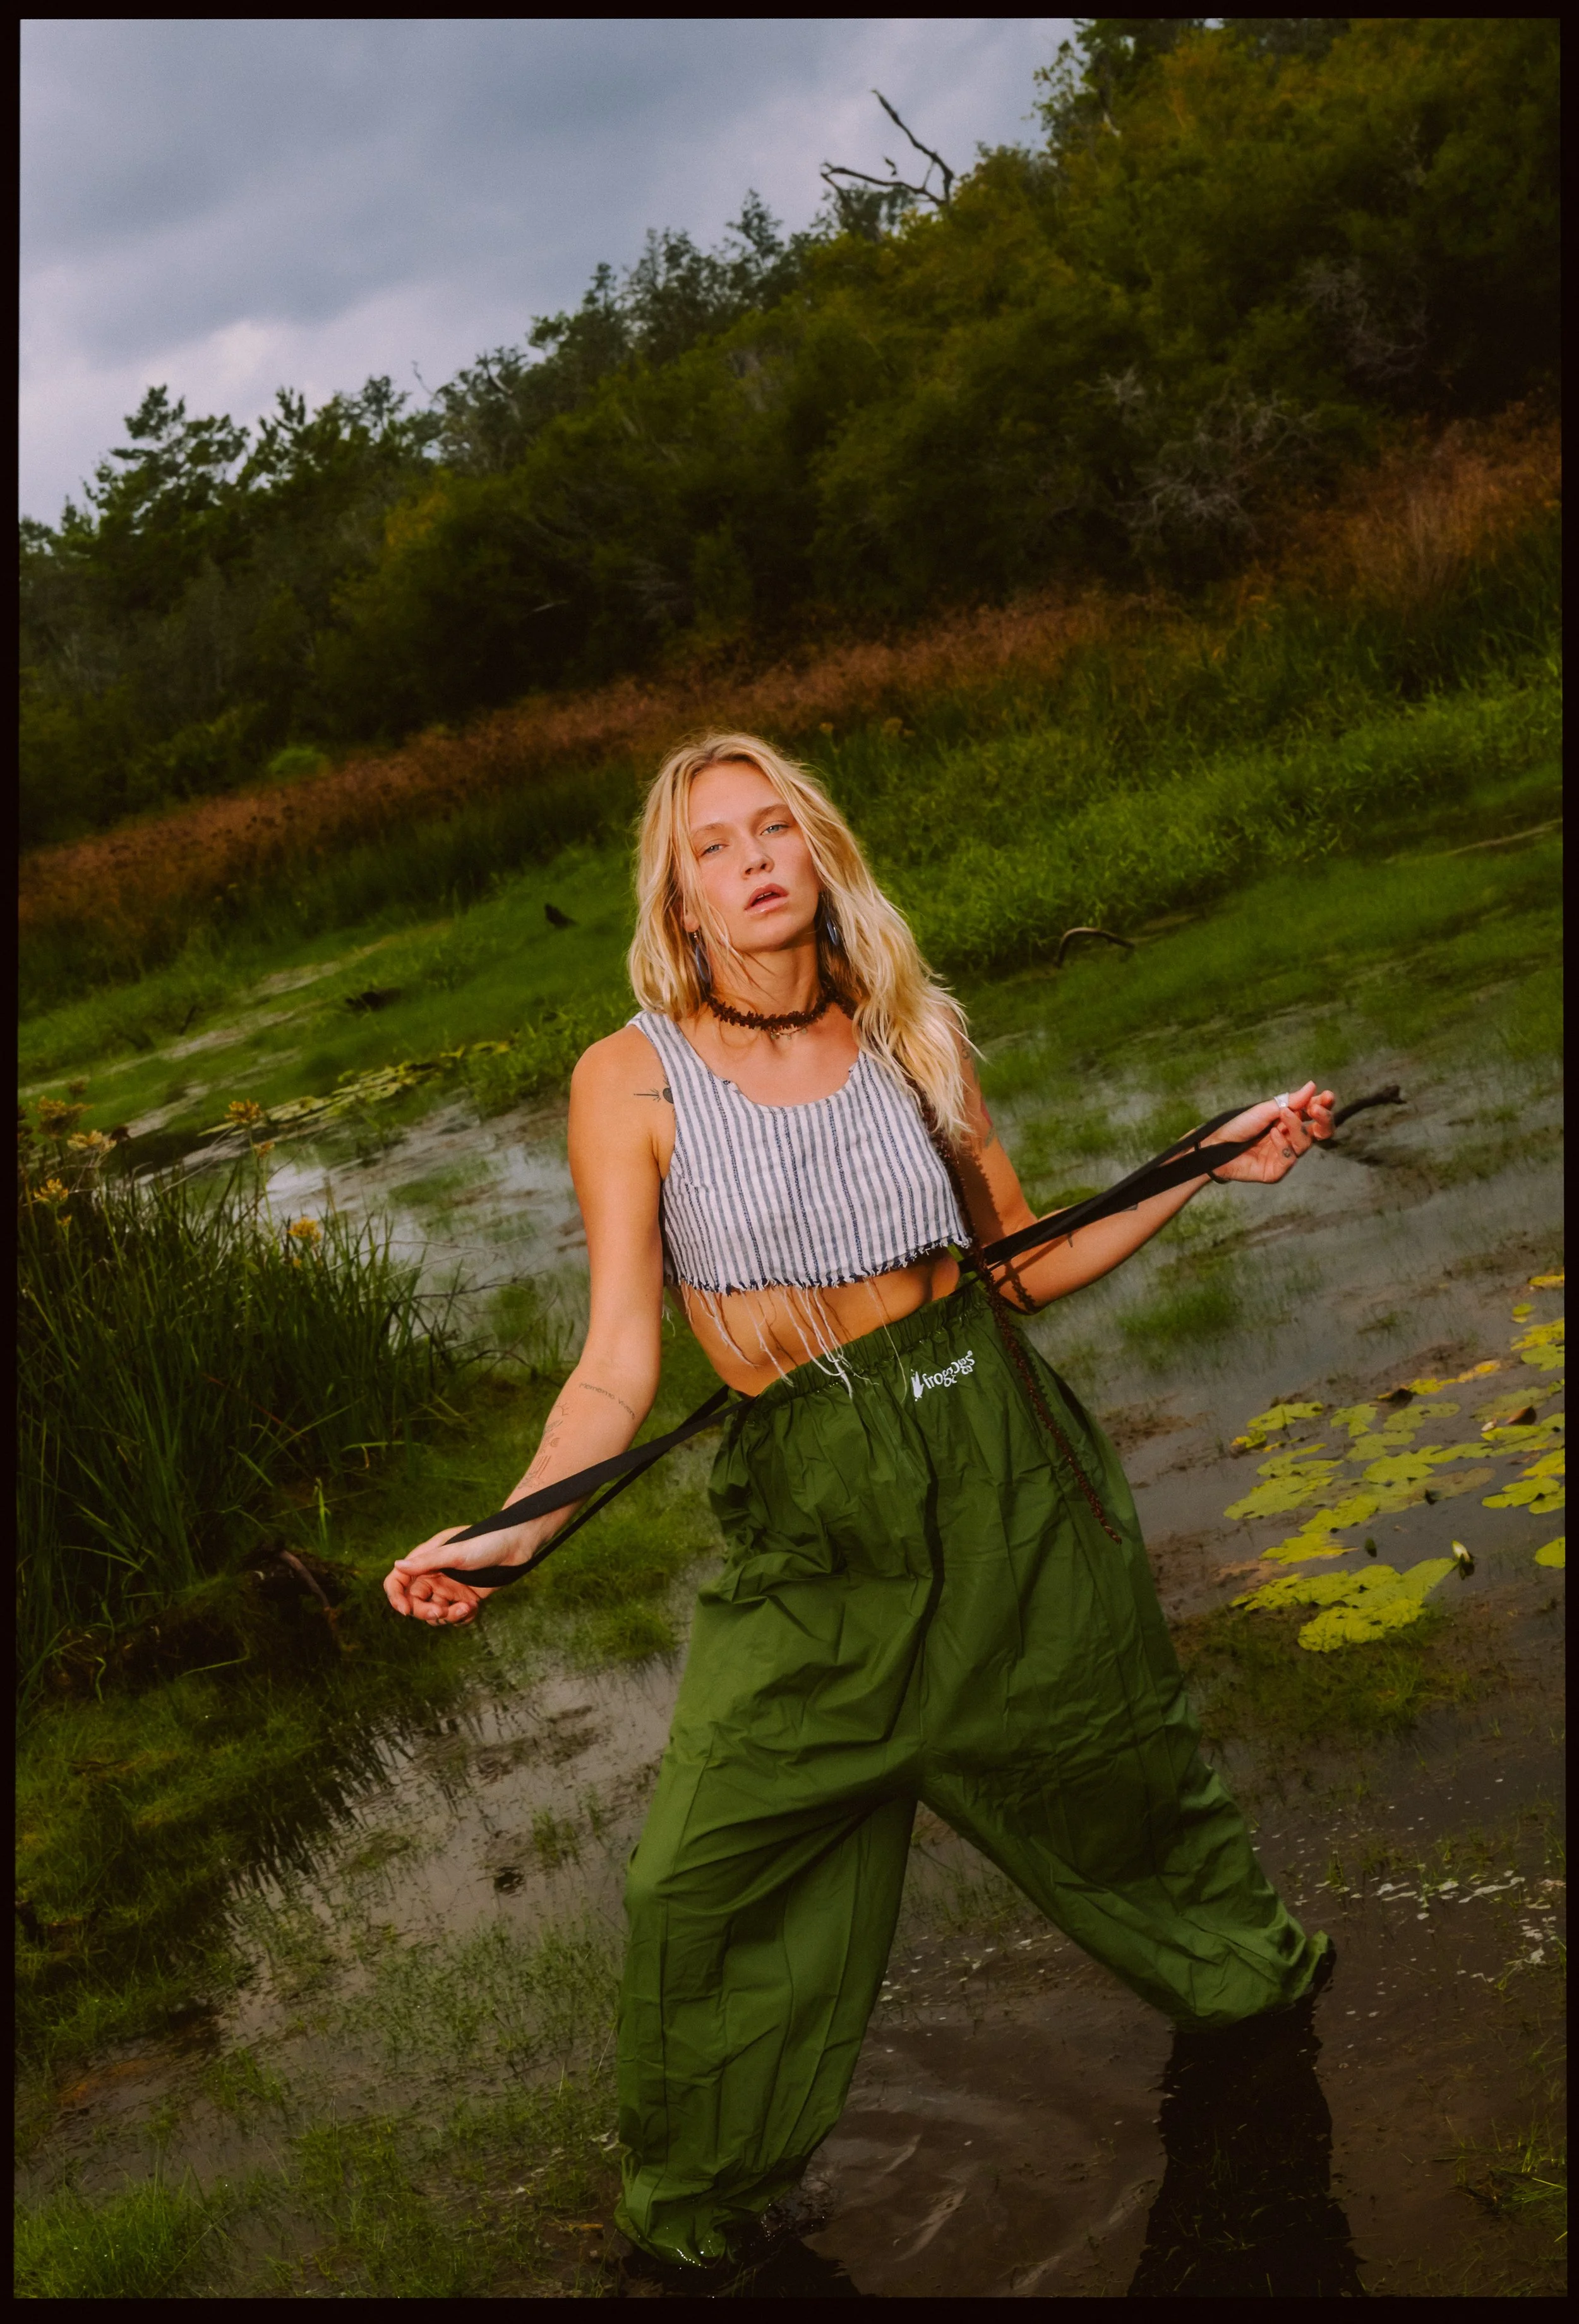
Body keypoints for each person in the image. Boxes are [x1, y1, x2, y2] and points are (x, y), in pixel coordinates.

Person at [384, 732, 1338, 2283]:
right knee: (693, 1873)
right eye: (714, 844)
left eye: (777, 829)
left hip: (994, 1476)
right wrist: (520, 1527)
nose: (753, 858)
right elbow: (618, 1363)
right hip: (810, 1514)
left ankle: (1252, 2008)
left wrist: (1197, 1165)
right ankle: (692, 2224)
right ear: (678, 893)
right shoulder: (627, 1079)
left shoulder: (912, 1031)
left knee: (1122, 1790)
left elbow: (1016, 1264)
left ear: (817, 853)